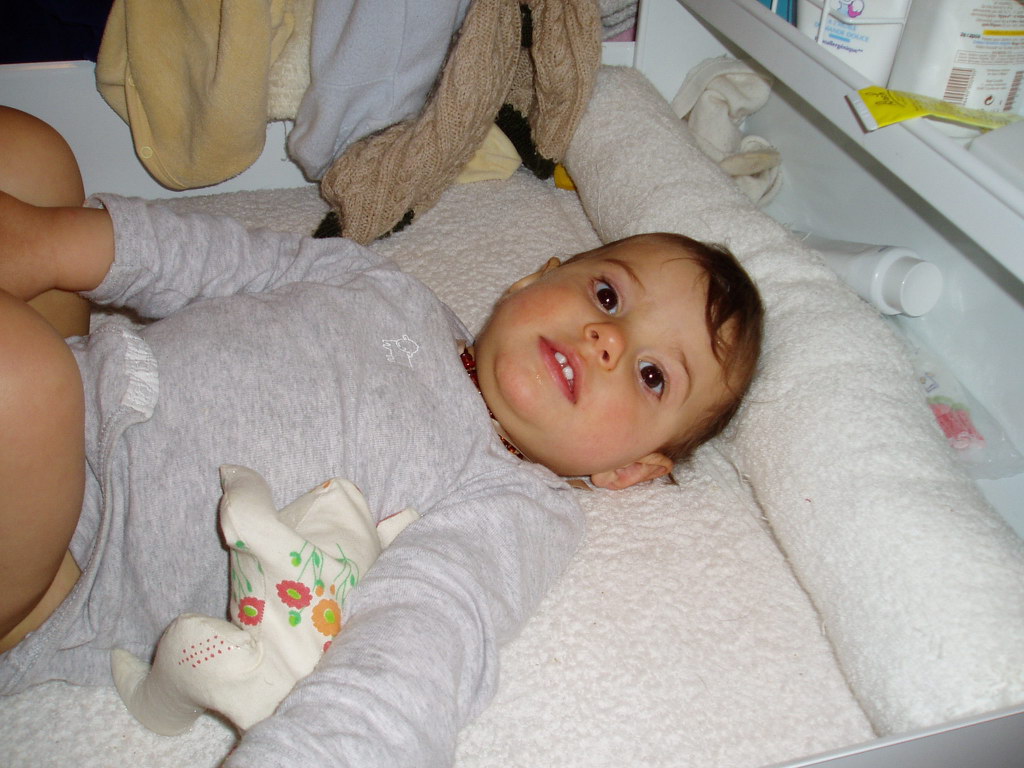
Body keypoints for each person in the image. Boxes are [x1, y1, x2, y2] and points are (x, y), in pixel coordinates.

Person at [0, 106, 763, 766]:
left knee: (22, 377)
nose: (608, 339)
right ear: (534, 277)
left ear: (631, 470)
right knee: (29, 157)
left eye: (653, 376)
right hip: (83, 372)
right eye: (607, 295)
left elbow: (424, 638)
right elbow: (220, 259)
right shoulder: (389, 290)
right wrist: (50, 244)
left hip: (74, 551)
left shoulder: (508, 495)